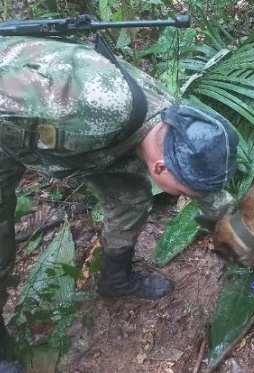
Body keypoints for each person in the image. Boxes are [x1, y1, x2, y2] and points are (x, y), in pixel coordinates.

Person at [0, 36, 238, 372]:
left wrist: (240, 230)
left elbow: (208, 188)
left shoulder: (177, 124)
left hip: (86, 146)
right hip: (9, 124)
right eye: (186, 192)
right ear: (160, 168)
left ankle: (115, 278)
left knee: (130, 200)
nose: (188, 197)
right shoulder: (88, 106)